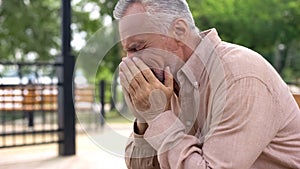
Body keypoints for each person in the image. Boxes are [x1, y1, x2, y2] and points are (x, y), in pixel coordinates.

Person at [113, 0, 300, 168]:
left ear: (179, 31)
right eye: (127, 51)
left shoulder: (238, 75)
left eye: (137, 48)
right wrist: (145, 119)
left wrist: (159, 119)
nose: (129, 62)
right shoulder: (168, 81)